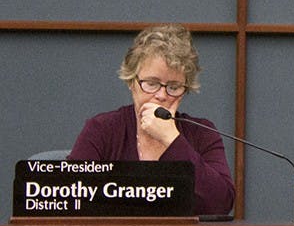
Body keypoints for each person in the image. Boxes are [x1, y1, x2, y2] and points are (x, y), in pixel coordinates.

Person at [68, 24, 235, 215]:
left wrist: (172, 140)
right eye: (151, 84)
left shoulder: (202, 133)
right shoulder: (102, 130)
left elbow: (221, 204)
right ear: (132, 82)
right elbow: (70, 197)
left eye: (173, 87)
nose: (161, 95)